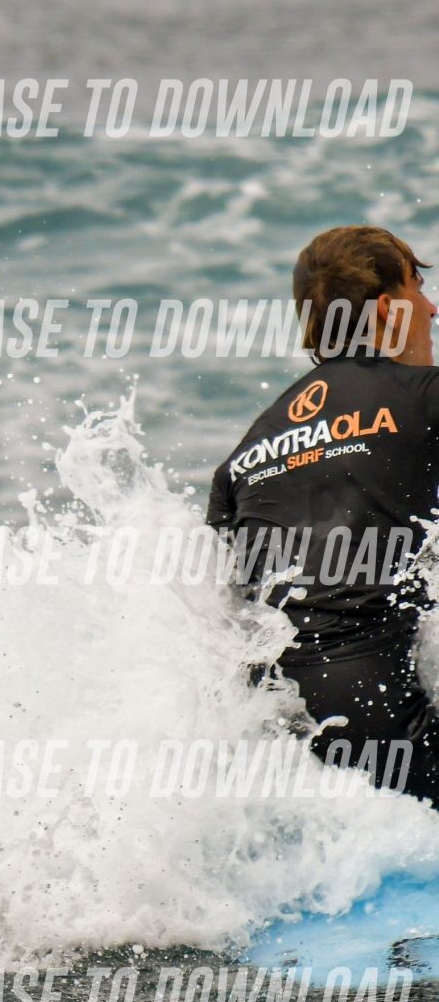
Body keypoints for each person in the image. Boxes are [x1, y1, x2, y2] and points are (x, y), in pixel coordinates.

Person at [208, 225, 439, 801]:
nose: (432, 308)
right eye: (417, 287)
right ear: (386, 309)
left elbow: (227, 608)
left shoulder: (243, 455)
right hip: (387, 717)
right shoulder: (425, 396)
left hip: (274, 729)